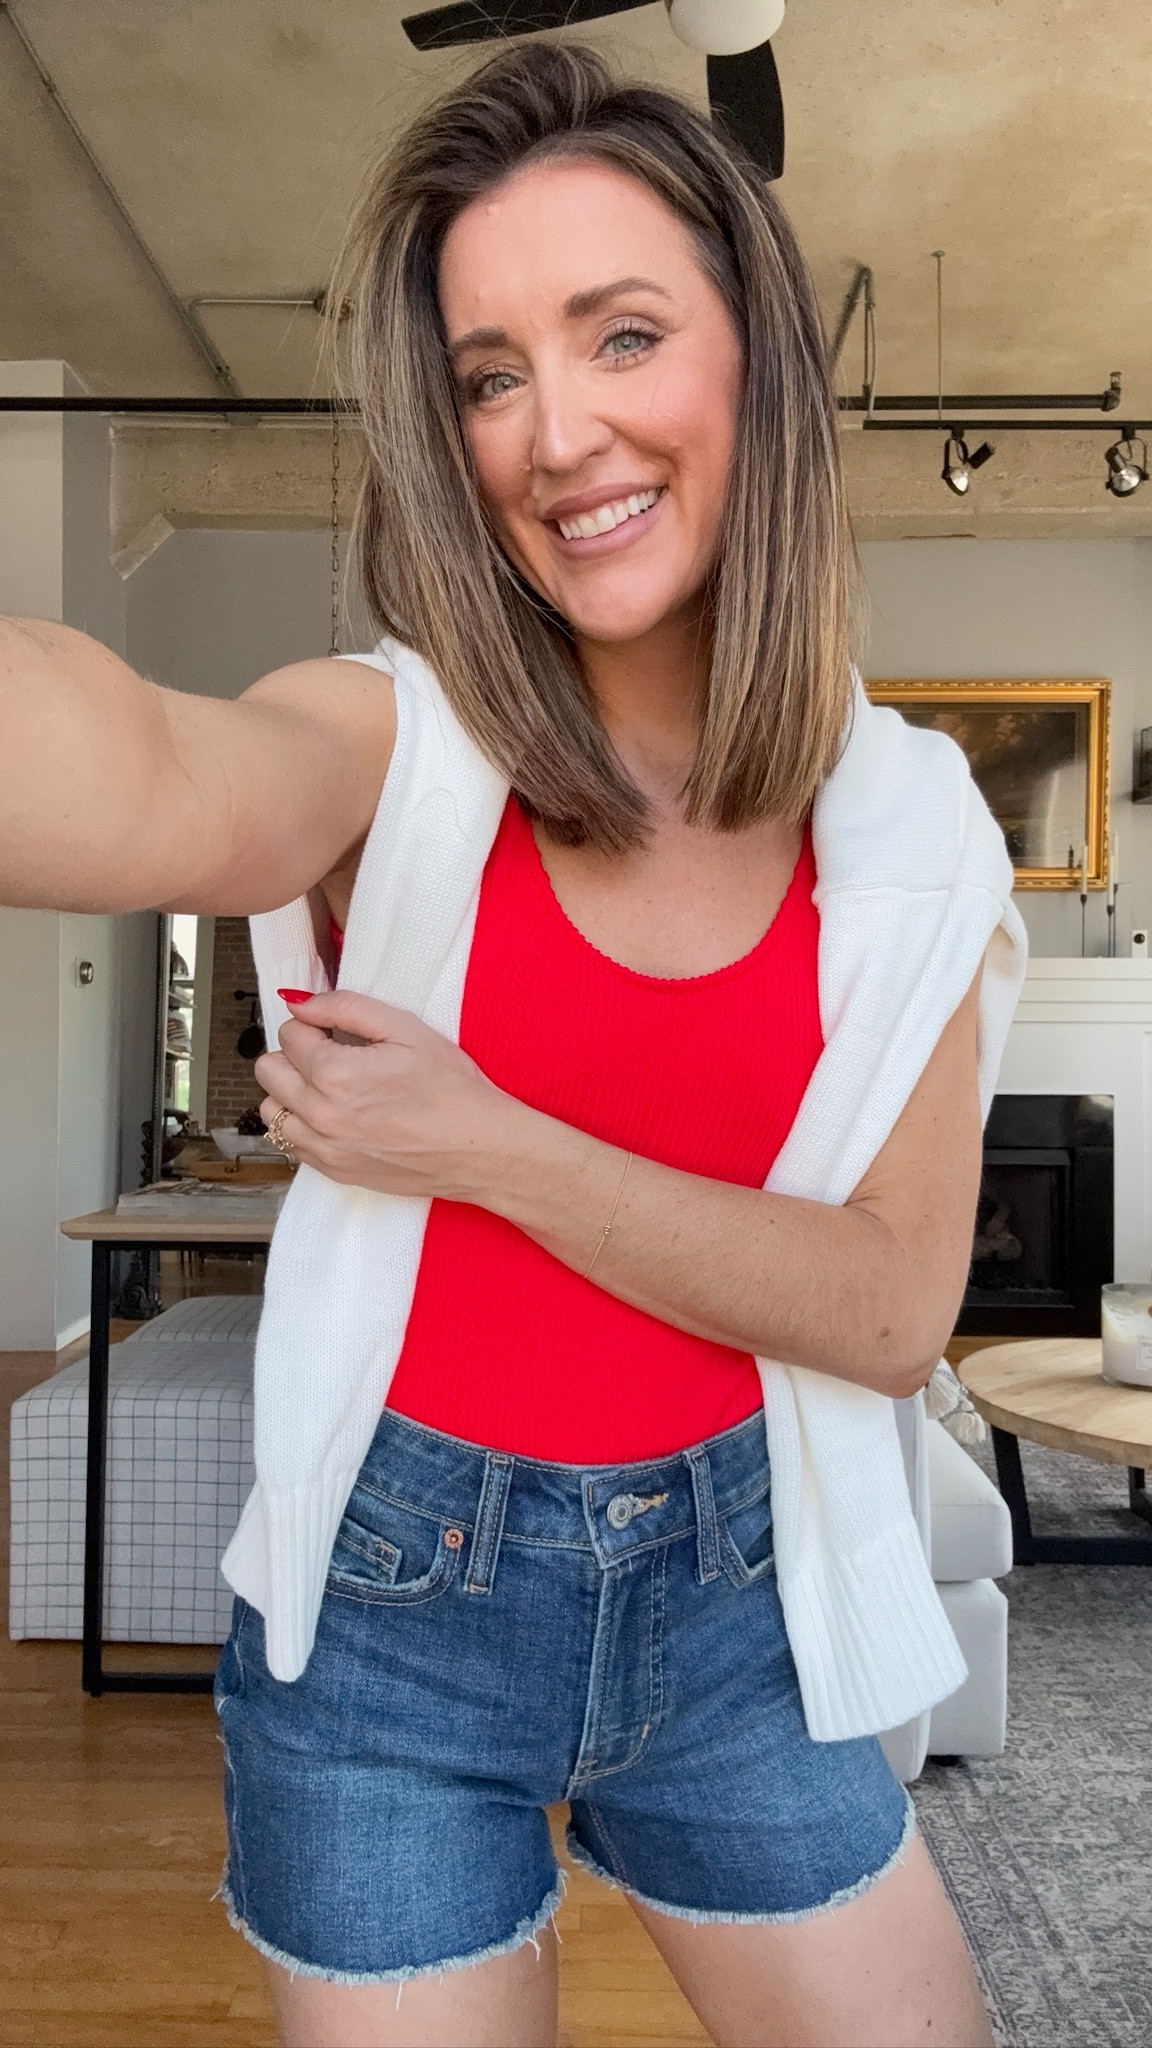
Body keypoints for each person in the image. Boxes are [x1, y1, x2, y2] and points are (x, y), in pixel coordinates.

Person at [0, 42, 1026, 2048]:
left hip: (749, 1616)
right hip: (390, 1623)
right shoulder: (394, 736)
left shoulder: (905, 832)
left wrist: (486, 1137)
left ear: (755, 366)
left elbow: (894, 1309)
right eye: (488, 373)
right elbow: (144, 764)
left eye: (620, 333)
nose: (554, 431)